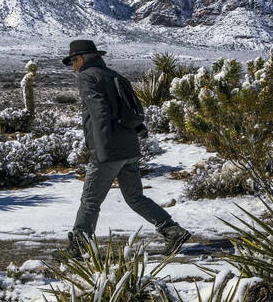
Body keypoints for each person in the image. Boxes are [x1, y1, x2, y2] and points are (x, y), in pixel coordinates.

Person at [63, 39, 190, 257]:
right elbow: (128, 108)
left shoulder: (87, 76)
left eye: (73, 61)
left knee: (90, 201)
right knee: (135, 197)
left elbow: (99, 112)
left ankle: (78, 246)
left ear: (81, 59)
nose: (73, 67)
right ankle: (172, 231)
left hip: (108, 151)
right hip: (129, 148)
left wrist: (100, 152)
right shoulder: (114, 75)